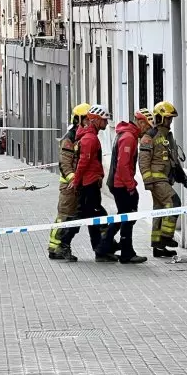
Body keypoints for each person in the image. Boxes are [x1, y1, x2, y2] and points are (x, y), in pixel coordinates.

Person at [96, 109, 154, 264]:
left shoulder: (127, 134)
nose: (147, 132)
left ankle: (106, 247)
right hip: (121, 184)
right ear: (141, 123)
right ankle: (122, 251)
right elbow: (123, 166)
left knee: (124, 216)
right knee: (127, 217)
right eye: (147, 127)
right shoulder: (129, 137)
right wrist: (130, 186)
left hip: (119, 182)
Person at [139, 101, 187, 258]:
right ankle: (166, 238)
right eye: (168, 118)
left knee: (160, 210)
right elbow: (143, 161)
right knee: (174, 203)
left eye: (171, 119)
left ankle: (158, 247)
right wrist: (147, 180)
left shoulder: (168, 136)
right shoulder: (149, 137)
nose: (170, 122)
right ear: (160, 118)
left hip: (165, 179)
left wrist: (182, 178)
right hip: (156, 180)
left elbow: (174, 160)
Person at [69, 104, 113, 261]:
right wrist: (76, 181)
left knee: (93, 218)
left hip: (91, 182)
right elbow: (83, 162)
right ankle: (63, 243)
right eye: (104, 120)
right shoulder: (90, 139)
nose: (107, 124)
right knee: (93, 216)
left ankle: (101, 250)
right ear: (95, 120)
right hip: (88, 185)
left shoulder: (90, 137)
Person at [48, 103, 91, 261]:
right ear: (78, 119)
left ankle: (57, 247)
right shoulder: (70, 138)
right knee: (65, 216)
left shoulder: (82, 136)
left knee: (71, 216)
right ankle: (56, 248)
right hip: (69, 185)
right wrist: (74, 179)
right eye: (86, 119)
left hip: (76, 184)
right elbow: (65, 163)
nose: (89, 122)